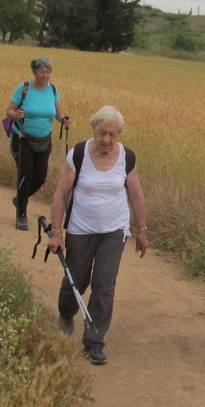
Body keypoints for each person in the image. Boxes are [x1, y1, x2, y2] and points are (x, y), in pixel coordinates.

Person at [47, 106, 149, 365]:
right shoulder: (78, 154)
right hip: (81, 229)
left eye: (113, 135)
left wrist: (142, 230)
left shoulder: (127, 157)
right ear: (94, 130)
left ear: (119, 135)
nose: (107, 140)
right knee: (76, 281)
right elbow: (60, 194)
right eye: (102, 133)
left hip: (114, 230)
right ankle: (66, 312)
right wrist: (57, 233)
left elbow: (136, 195)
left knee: (104, 285)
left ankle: (94, 341)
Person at [5, 57, 70, 231]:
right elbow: (9, 110)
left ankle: (20, 199)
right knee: (26, 173)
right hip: (22, 137)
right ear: (34, 72)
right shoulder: (24, 88)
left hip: (44, 139)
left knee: (40, 177)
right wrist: (15, 114)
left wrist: (63, 120)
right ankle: (22, 213)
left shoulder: (53, 90)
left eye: (48, 72)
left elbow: (57, 112)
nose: (45, 75)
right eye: (42, 71)